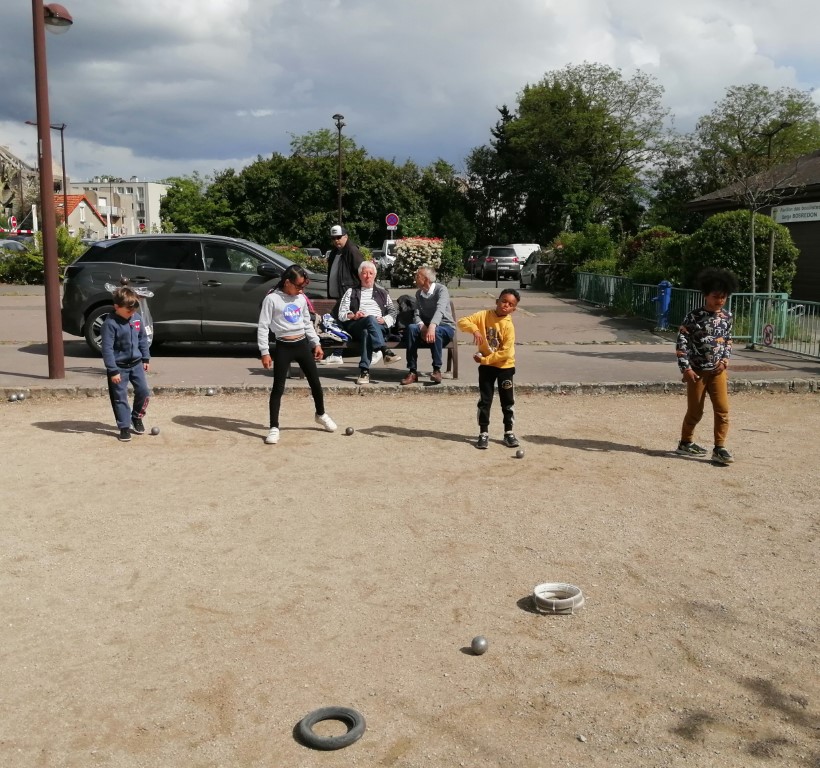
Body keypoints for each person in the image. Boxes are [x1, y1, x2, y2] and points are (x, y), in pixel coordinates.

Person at [257, 265, 337, 445]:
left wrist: (315, 342)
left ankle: (321, 414)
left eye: (303, 287)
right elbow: (263, 327)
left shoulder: (300, 298)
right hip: (283, 346)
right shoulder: (272, 299)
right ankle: (274, 427)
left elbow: (307, 323)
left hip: (301, 344)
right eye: (298, 286)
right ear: (287, 282)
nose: (301, 290)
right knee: (278, 387)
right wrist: (264, 352)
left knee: (315, 382)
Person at [675, 267, 739, 465]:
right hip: (697, 372)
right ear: (706, 295)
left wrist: (725, 361)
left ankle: (720, 448)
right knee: (695, 411)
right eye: (716, 296)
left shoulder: (727, 317)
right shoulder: (694, 317)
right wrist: (686, 368)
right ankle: (685, 443)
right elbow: (681, 343)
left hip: (718, 372)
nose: (720, 301)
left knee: (722, 410)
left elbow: (728, 340)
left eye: (724, 297)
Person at [457, 289, 520, 449]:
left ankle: (509, 432)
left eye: (511, 304)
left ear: (514, 309)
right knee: (485, 401)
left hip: (505, 367)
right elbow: (462, 322)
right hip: (486, 369)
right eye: (504, 301)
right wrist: (476, 330)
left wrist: (484, 359)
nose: (506, 305)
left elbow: (505, 353)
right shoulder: (484, 315)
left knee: (507, 401)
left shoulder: (508, 326)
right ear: (497, 301)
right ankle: (483, 433)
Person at [338, 260, 402, 385]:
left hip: (377, 327)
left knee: (367, 331)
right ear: (359, 275)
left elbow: (393, 312)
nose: (367, 276)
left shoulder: (383, 293)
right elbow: (341, 313)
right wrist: (353, 316)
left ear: (375, 275)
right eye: (364, 273)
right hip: (357, 325)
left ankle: (364, 372)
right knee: (369, 319)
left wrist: (384, 319)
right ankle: (384, 350)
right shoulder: (351, 292)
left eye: (371, 273)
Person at [101, 286, 151, 442]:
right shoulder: (110, 324)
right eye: (128, 311)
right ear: (117, 307)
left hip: (136, 363)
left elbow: (142, 338)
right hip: (119, 367)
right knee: (120, 397)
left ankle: (136, 417)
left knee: (143, 391)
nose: (132, 314)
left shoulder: (136, 319)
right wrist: (113, 370)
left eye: (134, 310)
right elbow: (107, 349)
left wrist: (145, 358)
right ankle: (124, 427)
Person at [401, 267, 456, 385]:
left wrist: (432, 326)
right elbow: (416, 314)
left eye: (417, 276)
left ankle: (437, 370)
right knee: (411, 328)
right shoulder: (418, 293)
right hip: (427, 327)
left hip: (445, 326)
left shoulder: (441, 290)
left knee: (436, 331)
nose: (415, 278)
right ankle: (412, 371)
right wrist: (422, 326)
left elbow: (440, 310)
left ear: (426, 280)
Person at [324, 224, 364, 365]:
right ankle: (337, 354)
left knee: (345, 324)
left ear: (346, 236)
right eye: (333, 238)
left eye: (339, 237)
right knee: (337, 325)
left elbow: (363, 273)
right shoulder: (335, 252)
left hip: (348, 296)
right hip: (336, 296)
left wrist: (358, 294)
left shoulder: (352, 251)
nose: (336, 240)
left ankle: (339, 353)